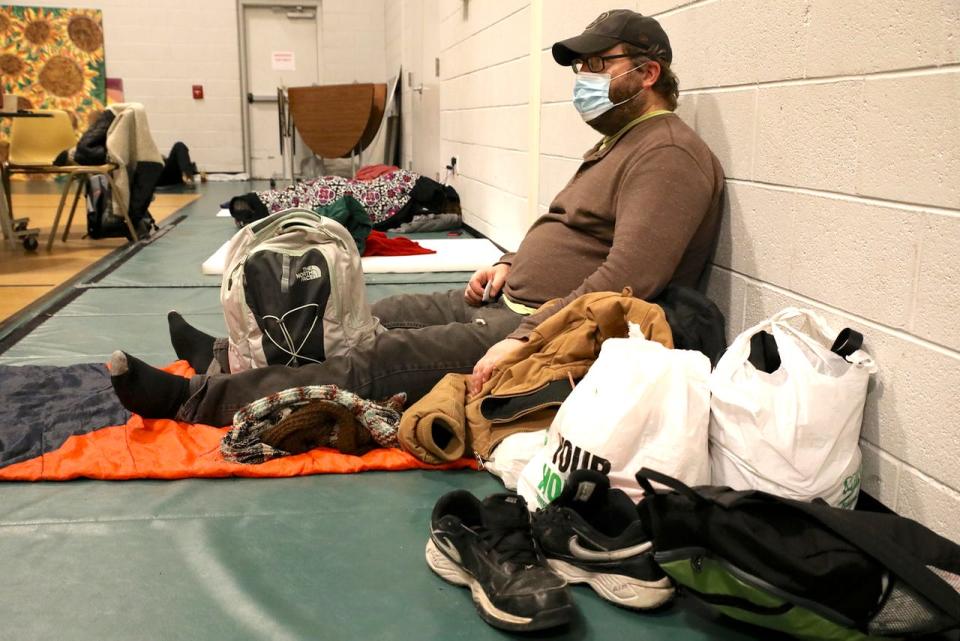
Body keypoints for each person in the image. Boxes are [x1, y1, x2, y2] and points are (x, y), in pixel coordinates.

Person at [110, 9, 725, 427]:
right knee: (367, 317)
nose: (583, 79)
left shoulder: (666, 154)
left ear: (645, 73)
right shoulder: (622, 144)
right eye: (579, 68)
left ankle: (201, 400)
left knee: (373, 362)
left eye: (597, 65)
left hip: (556, 337)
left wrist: (522, 338)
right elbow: (580, 237)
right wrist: (508, 264)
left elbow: (626, 285)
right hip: (510, 303)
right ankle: (229, 356)